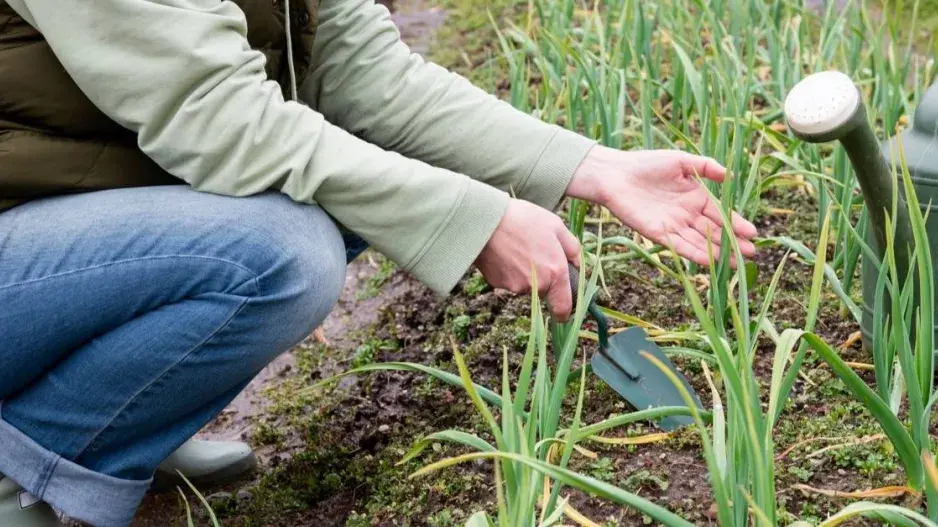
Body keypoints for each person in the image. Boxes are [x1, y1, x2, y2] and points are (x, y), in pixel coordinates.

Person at [0, 0, 758, 525]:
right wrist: (477, 218)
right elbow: (221, 122)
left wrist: (594, 167)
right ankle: (23, 462)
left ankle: (136, 421)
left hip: (63, 224)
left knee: (355, 189)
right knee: (278, 255)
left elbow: (372, 82)